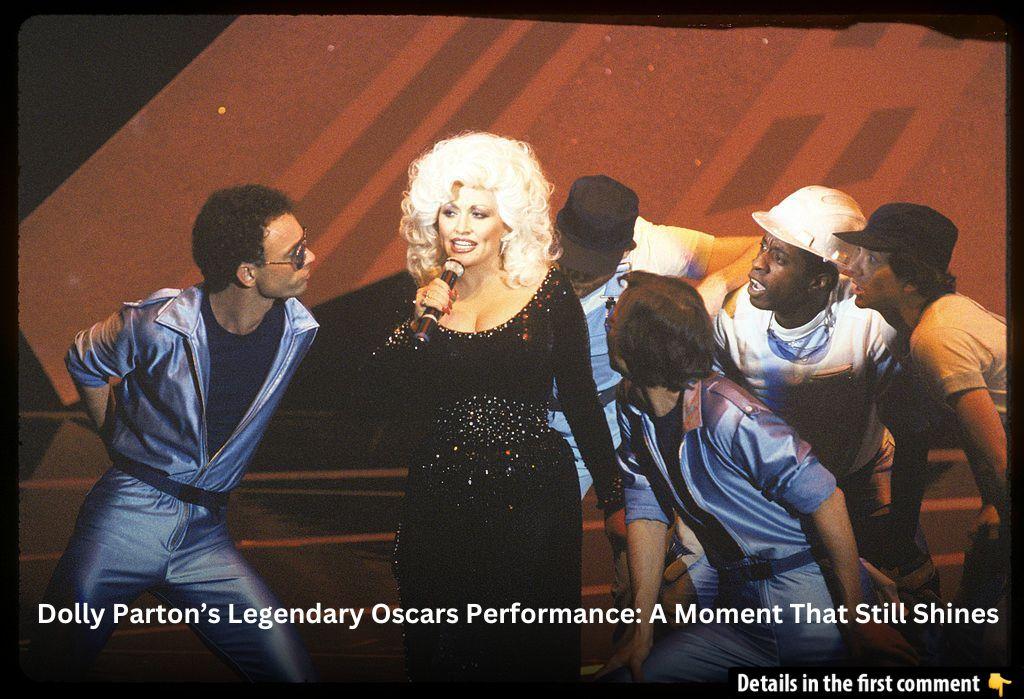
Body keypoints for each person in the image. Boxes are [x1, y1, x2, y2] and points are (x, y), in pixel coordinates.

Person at [27, 185, 319, 681]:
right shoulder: (159, 322)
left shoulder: (298, 329)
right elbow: (84, 359)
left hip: (206, 536)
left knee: (292, 674)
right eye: (295, 254)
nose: (310, 258)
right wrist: (114, 436)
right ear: (247, 273)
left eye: (304, 243)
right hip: (125, 520)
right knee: (55, 663)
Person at [363, 132, 623, 681]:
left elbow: (580, 401)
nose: (460, 227)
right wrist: (415, 327)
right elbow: (372, 392)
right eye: (449, 211)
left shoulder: (548, 291)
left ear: (509, 221)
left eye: (478, 213)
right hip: (441, 495)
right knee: (443, 653)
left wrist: (615, 499)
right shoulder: (422, 299)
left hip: (533, 498)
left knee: (520, 656)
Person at [598, 272, 917, 682]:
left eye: (616, 316)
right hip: (736, 601)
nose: (608, 323)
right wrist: (641, 631)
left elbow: (826, 498)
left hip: (804, 595)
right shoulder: (633, 404)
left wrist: (856, 616)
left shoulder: (728, 415)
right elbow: (646, 511)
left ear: (645, 342)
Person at [712, 186, 938, 633]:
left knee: (914, 611)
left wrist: (900, 533)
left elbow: (913, 432)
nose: (756, 265)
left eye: (779, 257)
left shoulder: (871, 321)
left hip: (863, 479)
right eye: (763, 247)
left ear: (821, 280)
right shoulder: (734, 320)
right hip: (775, 496)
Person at [548, 173, 759, 636]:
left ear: (626, 250)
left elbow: (754, 248)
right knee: (535, 556)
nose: (578, 276)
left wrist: (714, 286)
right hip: (546, 420)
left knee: (639, 549)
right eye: (572, 259)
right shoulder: (523, 245)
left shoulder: (654, 245)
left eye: (592, 267)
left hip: (619, 411)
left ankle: (637, 638)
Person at [835, 203, 1008, 665]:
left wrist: (999, 505)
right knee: (967, 634)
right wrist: (993, 505)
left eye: (873, 259)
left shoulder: (937, 339)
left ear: (910, 280)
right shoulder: (935, 323)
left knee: (987, 645)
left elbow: (999, 461)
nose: (853, 267)